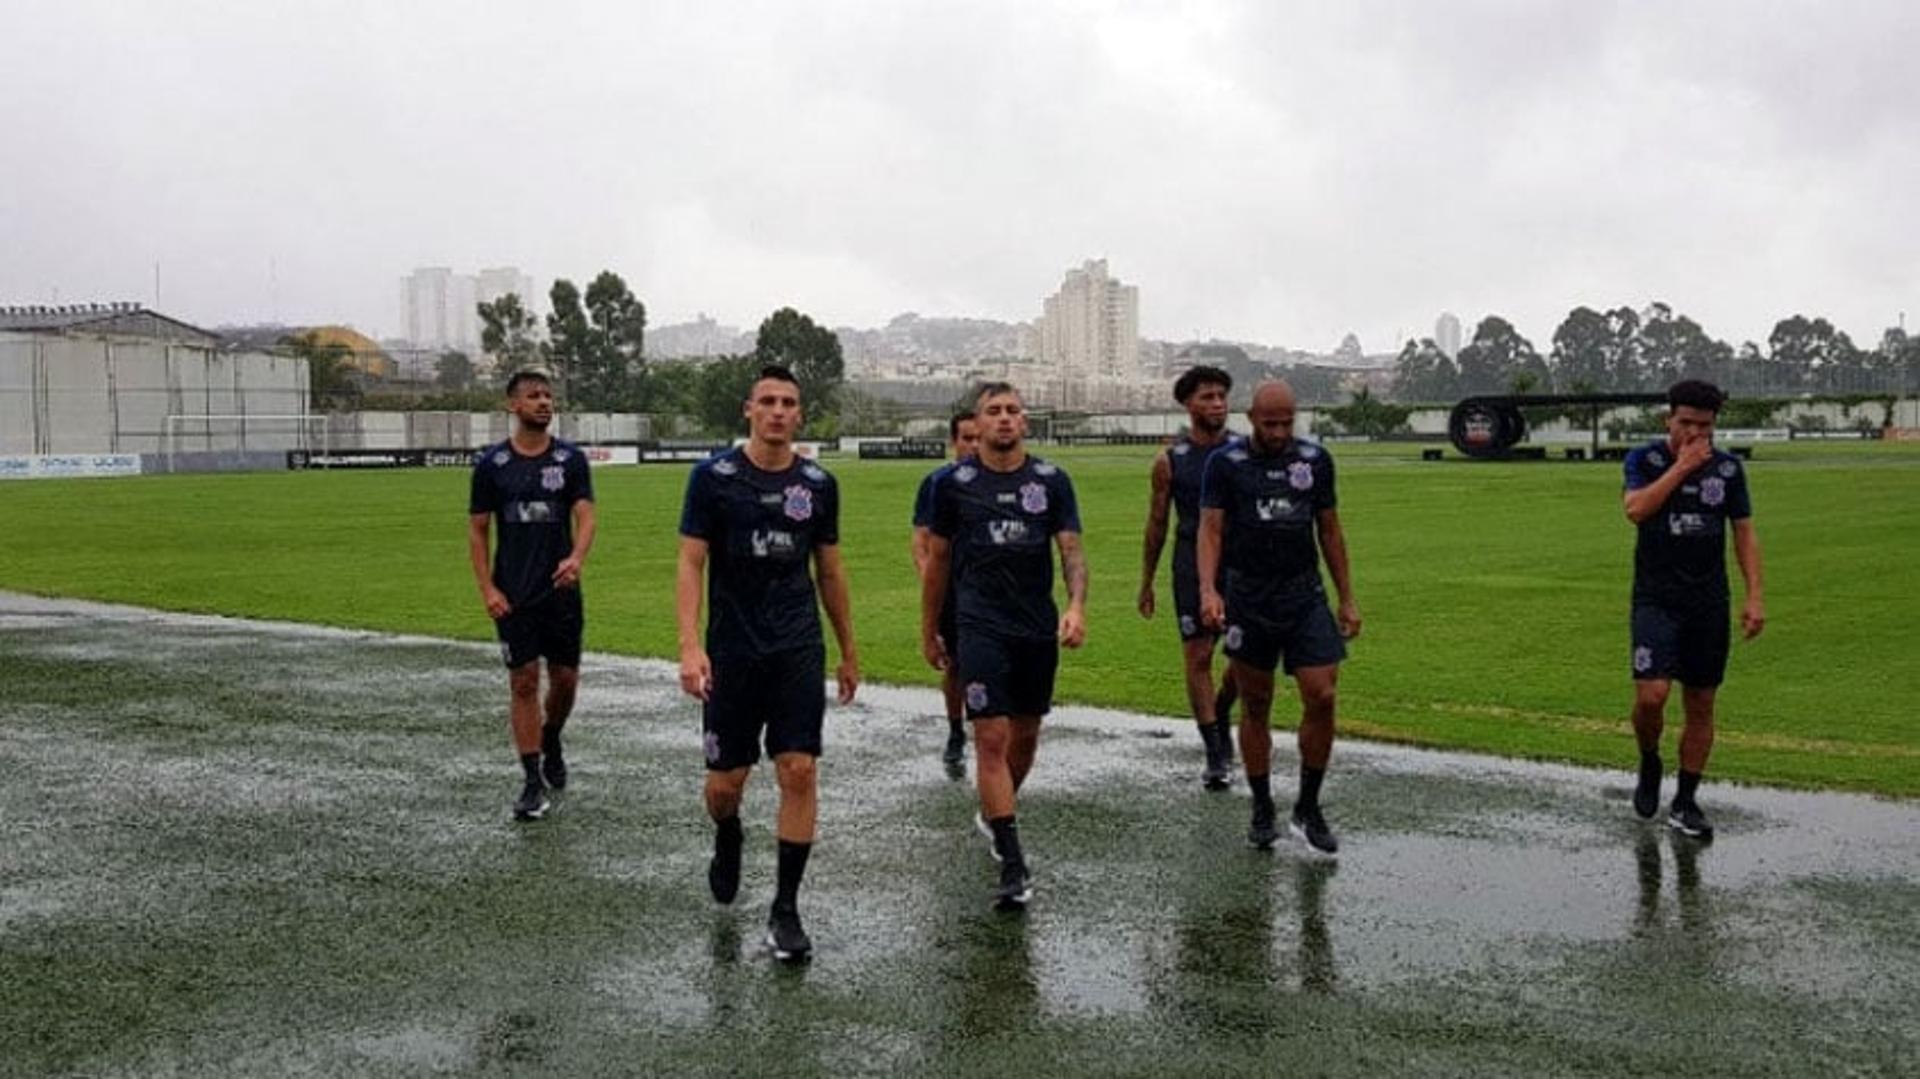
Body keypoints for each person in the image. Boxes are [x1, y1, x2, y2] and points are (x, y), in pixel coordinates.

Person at [676, 365, 859, 962]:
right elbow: (690, 564)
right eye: (768, 402)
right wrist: (689, 645)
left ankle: (785, 908)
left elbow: (829, 571)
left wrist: (849, 650)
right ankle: (728, 833)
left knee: (799, 771)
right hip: (732, 651)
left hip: (797, 649)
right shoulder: (713, 479)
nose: (779, 411)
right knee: (726, 785)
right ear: (748, 410)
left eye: (789, 403)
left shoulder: (819, 484)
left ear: (800, 415)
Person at [921, 382, 1087, 910]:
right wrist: (930, 628)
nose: (1004, 419)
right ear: (979, 421)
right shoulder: (953, 485)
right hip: (979, 624)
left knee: (1025, 734)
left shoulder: (1051, 481)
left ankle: (996, 811)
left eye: (1013, 410)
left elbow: (1072, 552)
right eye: (993, 411)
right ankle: (1014, 861)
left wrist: (1076, 606)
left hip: (1035, 625)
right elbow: (938, 561)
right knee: (990, 736)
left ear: (1026, 421)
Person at [1199, 381, 1359, 856]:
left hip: (1303, 592)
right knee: (1257, 703)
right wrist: (1209, 590)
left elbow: (1329, 529)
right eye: (1270, 424)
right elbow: (1210, 530)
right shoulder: (1225, 465)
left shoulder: (1314, 461)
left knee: (1322, 693)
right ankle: (1263, 805)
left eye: (1287, 422)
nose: (1279, 432)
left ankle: (1308, 806)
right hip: (1249, 594)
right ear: (1251, 418)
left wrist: (1347, 597)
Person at [1621, 380, 1764, 841]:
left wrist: (1754, 595)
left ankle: (1686, 801)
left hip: (1707, 602)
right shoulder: (1645, 459)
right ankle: (1648, 759)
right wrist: (1681, 467)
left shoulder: (1727, 470)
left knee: (1701, 701)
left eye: (1704, 426)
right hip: (1655, 600)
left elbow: (1743, 533)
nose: (1695, 433)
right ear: (1669, 420)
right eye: (1686, 423)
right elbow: (1636, 510)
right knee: (1652, 696)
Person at [467, 367, 596, 821]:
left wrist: (576, 557)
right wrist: (488, 588)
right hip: (514, 594)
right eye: (534, 396)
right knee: (522, 681)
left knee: (564, 682)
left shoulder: (570, 461)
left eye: (548, 395)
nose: (544, 402)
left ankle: (553, 734)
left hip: (561, 594)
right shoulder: (492, 466)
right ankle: (530, 778)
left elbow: (586, 517)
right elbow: (479, 532)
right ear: (513, 405)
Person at [1139, 365, 1242, 789]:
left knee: (1243, 659)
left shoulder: (1245, 451)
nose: (1217, 404)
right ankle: (1215, 751)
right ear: (1188, 404)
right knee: (1198, 656)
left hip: (1244, 565)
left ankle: (1219, 711)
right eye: (1207, 397)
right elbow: (1157, 523)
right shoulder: (1170, 461)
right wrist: (1146, 580)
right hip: (1188, 564)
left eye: (1222, 395)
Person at [912, 410, 983, 772]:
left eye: (977, 437)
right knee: (955, 663)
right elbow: (921, 543)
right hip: (952, 591)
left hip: (990, 591)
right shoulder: (938, 484)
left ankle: (991, 734)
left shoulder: (1000, 482)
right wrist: (933, 588)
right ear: (953, 442)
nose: (973, 445)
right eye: (966, 438)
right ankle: (956, 731)